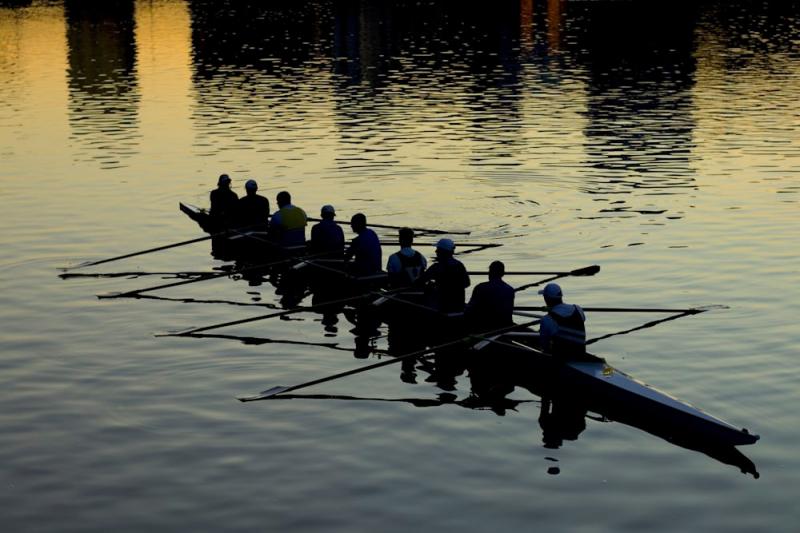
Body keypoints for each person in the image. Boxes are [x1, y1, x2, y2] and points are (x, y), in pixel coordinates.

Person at [421, 238, 470, 313]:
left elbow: (420, 281)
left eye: (437, 249)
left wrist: (433, 285)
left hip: (443, 307)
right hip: (458, 305)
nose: (436, 251)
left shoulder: (437, 267)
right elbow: (467, 283)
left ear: (442, 252)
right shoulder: (460, 265)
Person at [538, 282, 586, 359]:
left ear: (545, 298)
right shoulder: (578, 309)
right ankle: (607, 371)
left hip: (562, 360)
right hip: (581, 356)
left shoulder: (546, 319)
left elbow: (544, 346)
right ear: (561, 296)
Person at [465, 260, 515, 329]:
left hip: (486, 326)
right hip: (505, 325)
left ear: (489, 272)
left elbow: (469, 309)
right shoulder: (510, 289)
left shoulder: (481, 287)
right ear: (503, 274)